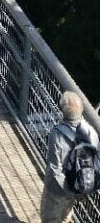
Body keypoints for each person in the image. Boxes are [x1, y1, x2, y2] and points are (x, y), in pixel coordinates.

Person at [41, 91, 100, 223]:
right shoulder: (91, 131)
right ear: (82, 110)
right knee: (66, 216)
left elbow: (54, 167)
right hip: (78, 184)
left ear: (62, 111)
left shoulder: (57, 134)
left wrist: (66, 190)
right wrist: (79, 190)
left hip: (58, 188)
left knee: (49, 218)